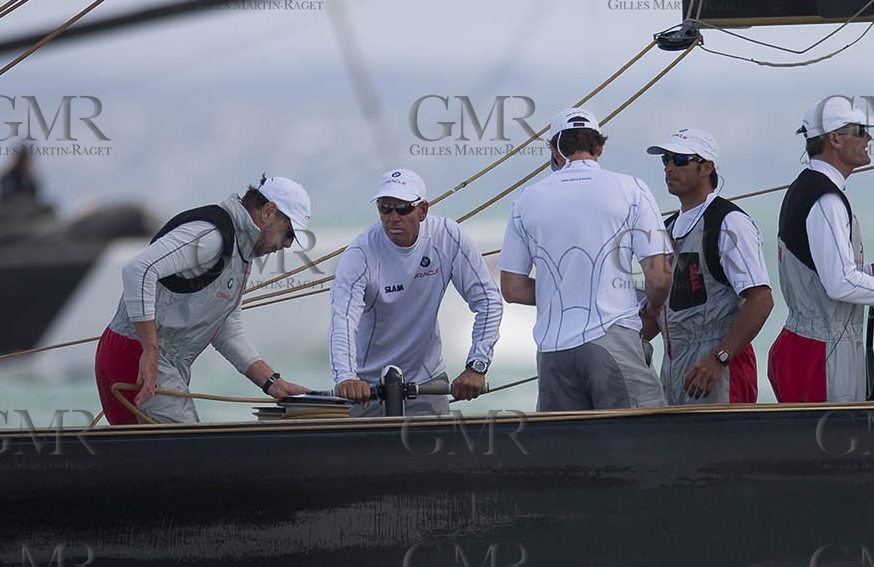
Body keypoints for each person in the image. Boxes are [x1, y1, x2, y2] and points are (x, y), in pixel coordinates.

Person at [94, 175, 312, 424]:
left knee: (147, 458)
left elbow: (226, 331)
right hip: (136, 354)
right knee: (189, 450)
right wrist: (150, 349)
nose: (287, 244)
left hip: (148, 358)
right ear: (269, 211)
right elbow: (138, 270)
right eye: (289, 233)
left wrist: (273, 384)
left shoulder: (240, 251)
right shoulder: (213, 235)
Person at [769, 96, 874, 403]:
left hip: (808, 345)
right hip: (822, 352)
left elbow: (822, 273)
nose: (869, 138)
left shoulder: (806, 187)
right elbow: (840, 283)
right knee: (831, 446)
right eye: (860, 130)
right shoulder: (827, 200)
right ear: (835, 138)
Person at [498, 107, 672, 411]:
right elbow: (659, 277)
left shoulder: (527, 199)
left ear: (554, 149)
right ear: (599, 147)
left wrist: (563, 291)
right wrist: (652, 309)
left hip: (553, 350)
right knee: (643, 441)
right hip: (613, 338)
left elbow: (511, 289)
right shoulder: (631, 188)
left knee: (566, 453)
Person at [329, 168, 503, 416]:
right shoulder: (360, 253)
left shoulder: (447, 236)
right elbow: (343, 320)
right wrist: (346, 377)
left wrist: (476, 366)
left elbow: (488, 302)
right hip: (366, 387)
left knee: (442, 455)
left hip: (427, 383)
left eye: (403, 209)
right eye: (385, 208)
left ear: (422, 211)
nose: (393, 217)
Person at [641, 128, 773, 405]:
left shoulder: (729, 222)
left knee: (727, 449)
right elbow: (660, 313)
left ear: (707, 167)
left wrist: (719, 357)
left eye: (679, 160)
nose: (668, 168)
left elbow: (761, 299)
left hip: (721, 367)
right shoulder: (667, 229)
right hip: (675, 366)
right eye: (665, 159)